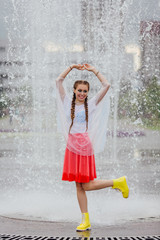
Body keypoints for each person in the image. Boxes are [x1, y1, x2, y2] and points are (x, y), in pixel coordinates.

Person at [56, 63, 129, 232]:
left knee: (86, 185)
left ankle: (117, 182)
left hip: (83, 146)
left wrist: (94, 71)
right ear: (74, 91)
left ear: (88, 93)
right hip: (71, 146)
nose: (82, 93)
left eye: (85, 91)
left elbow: (107, 85)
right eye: (79, 90)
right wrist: (71, 67)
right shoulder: (66, 101)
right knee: (78, 186)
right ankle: (85, 220)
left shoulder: (93, 103)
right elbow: (59, 80)